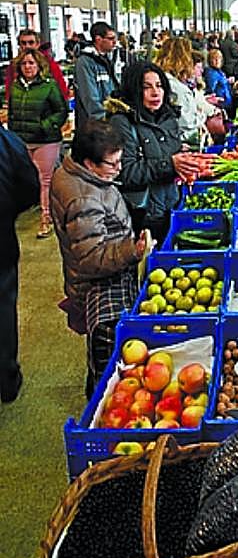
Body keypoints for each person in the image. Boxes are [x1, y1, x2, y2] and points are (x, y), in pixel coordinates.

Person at [50, 120, 147, 394]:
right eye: (112, 164)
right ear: (89, 164)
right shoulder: (83, 200)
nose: (119, 168)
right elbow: (91, 257)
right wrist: (133, 250)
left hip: (92, 282)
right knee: (107, 365)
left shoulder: (79, 176)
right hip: (98, 289)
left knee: (99, 357)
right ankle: (98, 400)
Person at [106, 61, 200, 243]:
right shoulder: (122, 123)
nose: (155, 92)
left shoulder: (168, 116)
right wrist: (170, 164)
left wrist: (183, 161)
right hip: (144, 215)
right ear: (134, 90)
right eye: (146, 87)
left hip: (171, 205)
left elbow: (166, 153)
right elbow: (126, 171)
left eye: (159, 86)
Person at [7, 48, 68, 238]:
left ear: (39, 65)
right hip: (22, 140)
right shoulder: (16, 87)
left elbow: (61, 111)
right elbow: (12, 112)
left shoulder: (50, 86)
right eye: (24, 63)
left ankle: (46, 218)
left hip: (45, 141)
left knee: (44, 180)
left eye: (31, 63)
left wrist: (45, 126)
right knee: (26, 178)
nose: (27, 67)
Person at [0, 126, 39, 403]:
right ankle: (6, 380)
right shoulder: (5, 142)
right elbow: (29, 187)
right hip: (1, 242)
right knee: (2, 308)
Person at [154, 36, 204, 145]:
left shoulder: (159, 78)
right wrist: (201, 116)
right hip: (182, 141)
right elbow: (187, 123)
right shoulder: (177, 88)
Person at [73, 21, 119, 131]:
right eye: (110, 38)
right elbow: (89, 96)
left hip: (109, 119)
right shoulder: (85, 62)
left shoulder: (107, 59)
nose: (114, 42)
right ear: (98, 39)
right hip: (95, 125)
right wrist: (102, 119)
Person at [5, 28, 70, 102]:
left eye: (31, 42)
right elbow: (9, 91)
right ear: (19, 45)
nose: (27, 46)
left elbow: (61, 88)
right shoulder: (13, 65)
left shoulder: (49, 63)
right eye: (23, 43)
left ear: (37, 44)